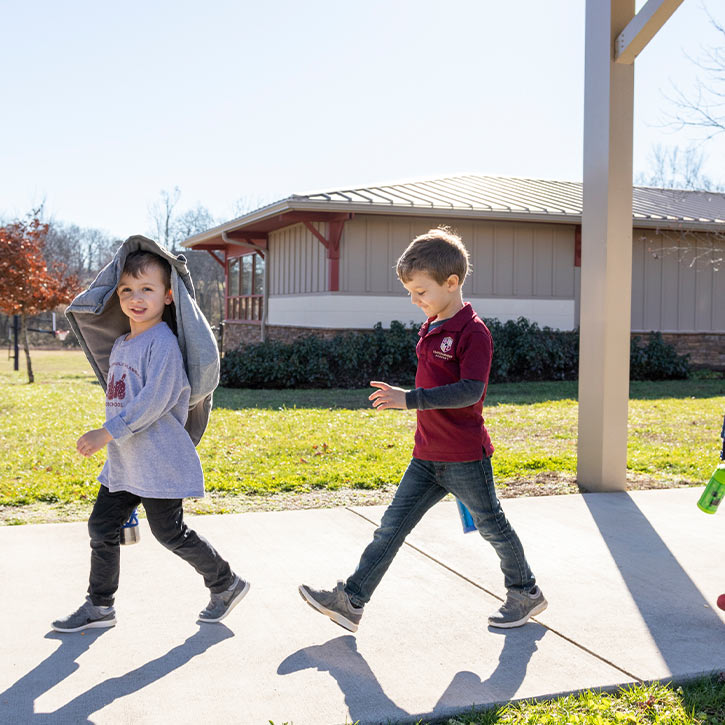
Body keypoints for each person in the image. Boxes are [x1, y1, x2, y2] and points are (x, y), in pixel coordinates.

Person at [299, 227, 545, 632]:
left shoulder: (473, 332)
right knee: (391, 528)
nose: (415, 301)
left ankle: (526, 592)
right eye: (410, 292)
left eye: (421, 291)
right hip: (427, 455)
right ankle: (351, 601)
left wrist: (408, 399)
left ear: (452, 283)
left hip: (465, 456)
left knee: (493, 527)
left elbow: (470, 391)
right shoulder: (432, 326)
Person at [52, 250, 248, 632]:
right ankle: (100, 605)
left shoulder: (164, 344)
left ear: (168, 295)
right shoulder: (124, 343)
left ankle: (226, 584)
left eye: (146, 289)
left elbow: (153, 402)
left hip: (160, 460)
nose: (135, 298)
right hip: (125, 462)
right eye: (126, 289)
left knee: (171, 534)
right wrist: (112, 441)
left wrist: (104, 433)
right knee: (100, 528)